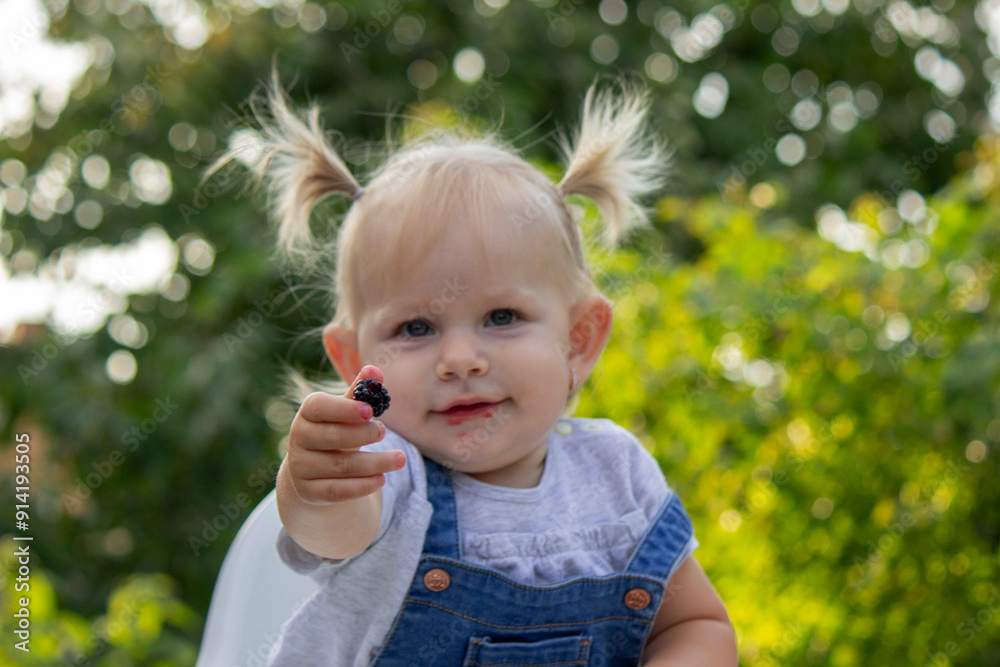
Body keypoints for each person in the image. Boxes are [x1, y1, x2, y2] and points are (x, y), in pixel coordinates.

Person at [212, 69, 738, 666]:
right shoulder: (390, 474)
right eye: (416, 328)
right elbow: (333, 527)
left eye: (503, 316)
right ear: (357, 363)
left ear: (579, 339)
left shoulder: (616, 475)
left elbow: (696, 625)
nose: (460, 360)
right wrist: (314, 483)